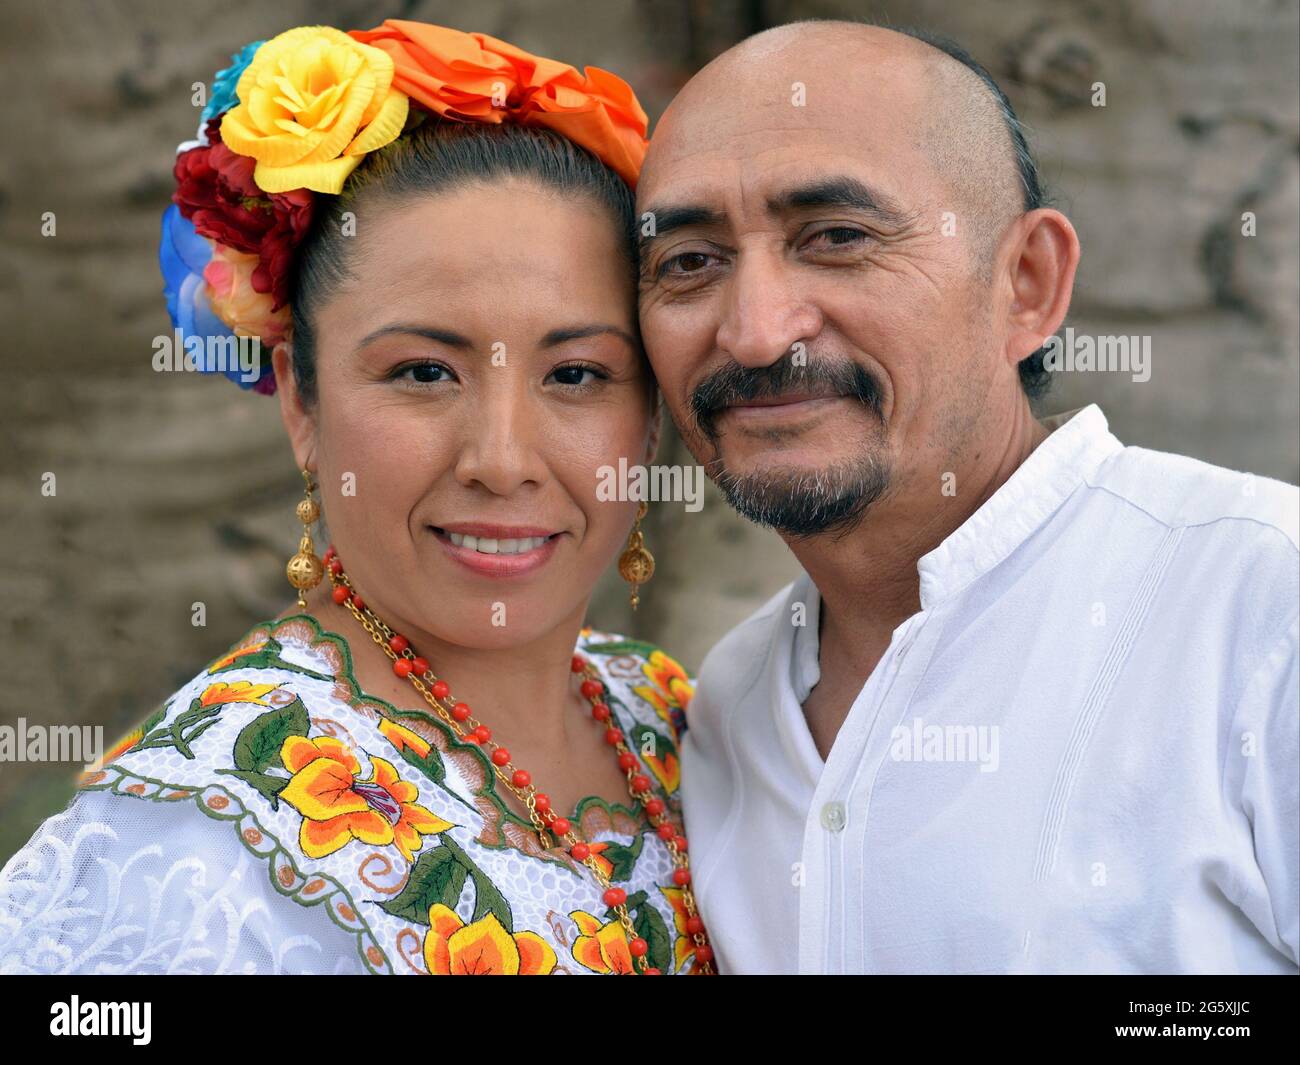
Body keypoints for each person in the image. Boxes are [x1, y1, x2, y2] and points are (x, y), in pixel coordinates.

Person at [0, 20, 713, 976]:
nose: (501, 459)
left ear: (653, 412)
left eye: (578, 375)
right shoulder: (187, 858)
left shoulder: (675, 718)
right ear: (302, 397)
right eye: (424, 370)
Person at [636, 19, 1299, 974]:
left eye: (837, 238)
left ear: (1026, 285)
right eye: (689, 262)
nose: (754, 330)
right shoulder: (729, 704)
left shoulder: (1259, 606)